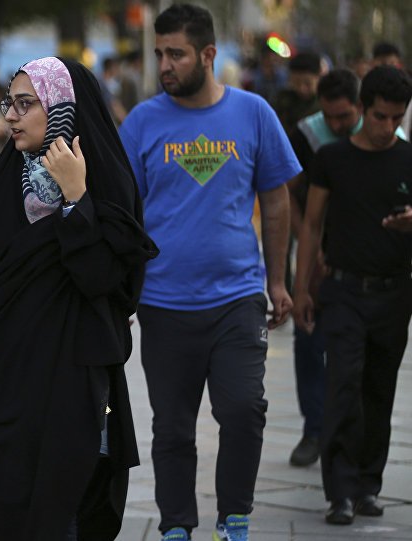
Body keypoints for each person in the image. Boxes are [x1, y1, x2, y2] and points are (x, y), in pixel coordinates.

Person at [0, 56, 158, 540]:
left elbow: (107, 285)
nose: (10, 117)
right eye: (8, 104)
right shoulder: (1, 185)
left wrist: (77, 200)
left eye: (25, 104)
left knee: (60, 517)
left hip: (69, 389)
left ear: (62, 109)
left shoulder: (106, 182)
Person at [119, 5, 300, 540]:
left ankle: (234, 518)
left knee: (243, 409)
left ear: (208, 55)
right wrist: (122, 291)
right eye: (159, 54)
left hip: (237, 298)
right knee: (172, 427)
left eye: (175, 54)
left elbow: (276, 200)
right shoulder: (142, 123)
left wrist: (277, 281)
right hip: (163, 302)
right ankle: (176, 526)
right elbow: (124, 215)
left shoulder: (253, 113)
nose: (164, 65)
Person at [292, 65, 412, 527]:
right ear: (363, 109)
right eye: (381, 117)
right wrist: (301, 288)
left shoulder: (407, 157)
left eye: (397, 118)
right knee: (343, 386)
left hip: (394, 291)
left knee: (379, 390)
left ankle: (368, 485)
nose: (388, 127)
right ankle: (339, 491)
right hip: (343, 290)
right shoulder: (333, 158)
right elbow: (311, 225)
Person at [283, 69, 364, 468]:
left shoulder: (380, 133)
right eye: (329, 116)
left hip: (359, 259)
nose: (335, 125)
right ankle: (313, 429)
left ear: (360, 107)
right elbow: (287, 193)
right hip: (314, 255)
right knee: (309, 339)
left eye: (344, 117)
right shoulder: (306, 135)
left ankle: (350, 433)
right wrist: (306, 241)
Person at [273, 51, 323, 137]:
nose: (302, 89)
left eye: (308, 83)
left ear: (318, 78)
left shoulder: (326, 104)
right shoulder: (282, 101)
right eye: (296, 83)